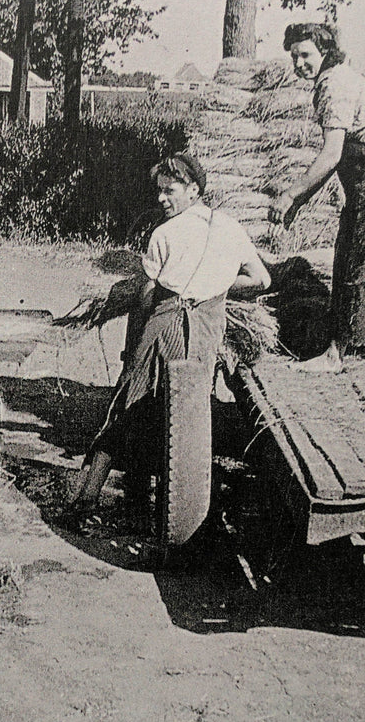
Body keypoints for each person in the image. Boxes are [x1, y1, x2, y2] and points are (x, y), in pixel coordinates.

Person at [68, 153, 270, 533]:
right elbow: (262, 280)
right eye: (159, 191)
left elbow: (147, 292)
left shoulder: (164, 234)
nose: (162, 199)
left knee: (127, 405)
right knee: (187, 417)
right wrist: (223, 285)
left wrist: (138, 343)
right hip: (207, 329)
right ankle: (177, 515)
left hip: (165, 323)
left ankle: (86, 500)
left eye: (169, 190)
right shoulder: (230, 227)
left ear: (193, 190)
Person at [269, 23, 365, 372]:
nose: (299, 63)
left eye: (305, 55)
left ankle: (336, 355)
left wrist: (289, 195)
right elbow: (336, 160)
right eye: (294, 57)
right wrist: (299, 201)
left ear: (325, 52)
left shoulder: (334, 83)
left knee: (360, 256)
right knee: (357, 251)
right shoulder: (335, 79)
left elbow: (331, 155)